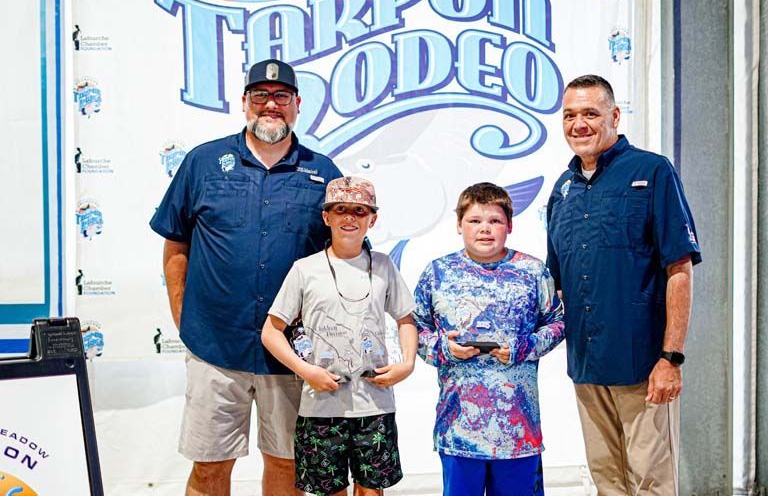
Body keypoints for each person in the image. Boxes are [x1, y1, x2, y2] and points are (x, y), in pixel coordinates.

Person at [150, 58, 342, 496]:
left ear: (296, 106)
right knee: (209, 469)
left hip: (292, 352)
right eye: (260, 96)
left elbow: (343, 258)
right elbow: (175, 245)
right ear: (244, 104)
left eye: (280, 97)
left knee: (286, 465)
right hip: (214, 347)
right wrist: (184, 318)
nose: (270, 105)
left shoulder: (323, 172)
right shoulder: (202, 163)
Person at [546, 74, 701, 495]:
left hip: (644, 367)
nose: (579, 124)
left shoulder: (652, 171)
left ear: (614, 116)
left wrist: (671, 357)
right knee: (607, 480)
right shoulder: (562, 191)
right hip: (586, 368)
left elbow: (680, 269)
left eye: (590, 114)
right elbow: (557, 285)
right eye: (570, 115)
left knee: (650, 481)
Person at [261, 176, 417, 496]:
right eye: (340, 209)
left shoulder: (384, 266)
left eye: (359, 211)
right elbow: (271, 331)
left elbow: (406, 318)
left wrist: (407, 364)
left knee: (371, 491)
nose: (349, 217)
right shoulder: (305, 269)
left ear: (372, 219)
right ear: (326, 217)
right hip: (321, 406)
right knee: (329, 490)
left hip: (374, 404)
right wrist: (306, 371)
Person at [414, 182, 564, 496]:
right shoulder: (438, 273)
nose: (485, 229)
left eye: (495, 221)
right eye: (474, 221)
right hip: (458, 430)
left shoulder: (533, 272)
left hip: (518, 432)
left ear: (510, 225)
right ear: (458, 225)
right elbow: (415, 330)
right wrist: (445, 348)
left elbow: (558, 323)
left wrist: (524, 347)